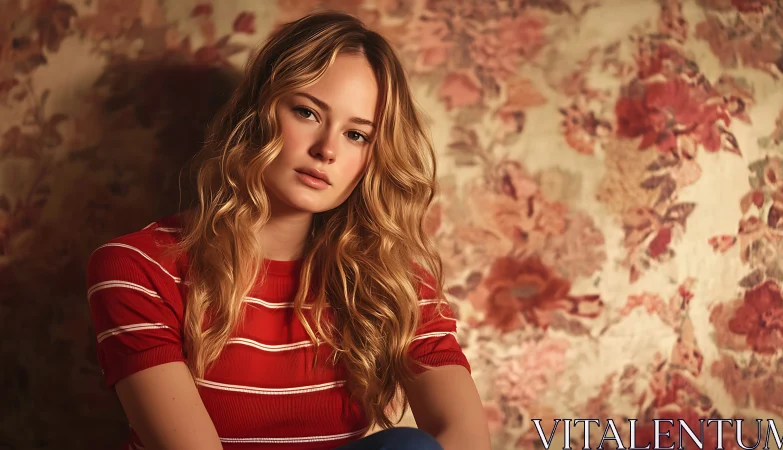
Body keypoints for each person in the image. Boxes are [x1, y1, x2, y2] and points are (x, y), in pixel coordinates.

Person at [86, 10, 491, 450]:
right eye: (307, 112)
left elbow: (466, 437)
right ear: (257, 113)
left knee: (408, 447)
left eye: (357, 135)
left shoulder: (391, 280)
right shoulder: (139, 267)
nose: (327, 150)